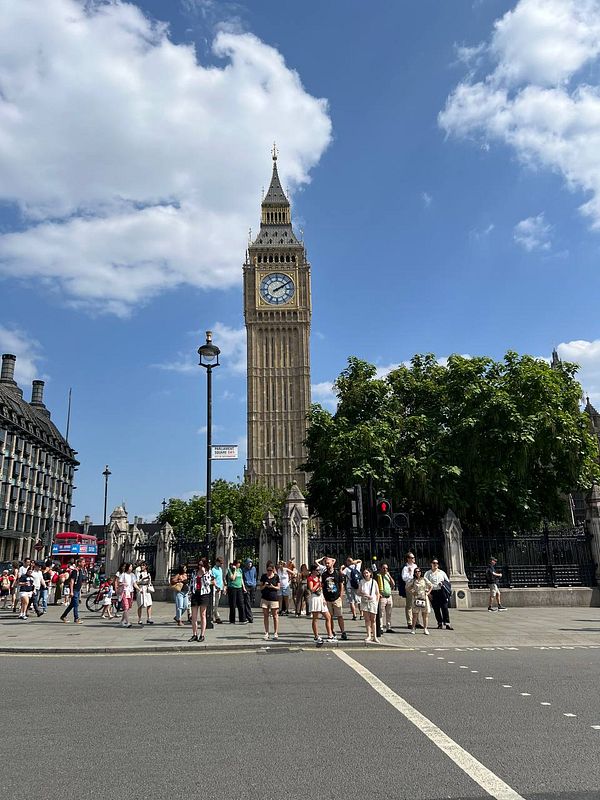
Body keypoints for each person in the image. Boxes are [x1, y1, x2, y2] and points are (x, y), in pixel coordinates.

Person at [321, 557, 348, 640]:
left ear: (332, 563)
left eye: (328, 563)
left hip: (336, 597)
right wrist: (323, 597)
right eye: (326, 563)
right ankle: (332, 631)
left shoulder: (337, 573)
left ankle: (343, 632)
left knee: (340, 615)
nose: (327, 564)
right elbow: (322, 586)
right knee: (330, 617)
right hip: (328, 598)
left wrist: (341, 595)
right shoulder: (324, 574)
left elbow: (341, 584)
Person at [307, 563, 334, 645]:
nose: (318, 571)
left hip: (320, 597)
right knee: (315, 618)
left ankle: (330, 635)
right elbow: (311, 589)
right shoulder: (310, 578)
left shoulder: (318, 578)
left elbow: (321, 590)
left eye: (318, 570)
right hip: (315, 598)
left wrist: (324, 599)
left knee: (328, 616)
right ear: (313, 571)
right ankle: (316, 636)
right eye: (317, 570)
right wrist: (318, 584)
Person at [189, 558, 214, 642]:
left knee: (203, 615)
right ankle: (194, 634)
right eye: (199, 565)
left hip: (204, 594)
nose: (200, 567)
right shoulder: (194, 572)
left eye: (202, 565)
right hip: (195, 593)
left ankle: (202, 635)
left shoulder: (208, 572)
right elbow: (191, 583)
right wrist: (190, 593)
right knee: (194, 616)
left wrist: (203, 574)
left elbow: (208, 583)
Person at [424, 559, 453, 630]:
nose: (435, 564)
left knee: (445, 607)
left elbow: (447, 582)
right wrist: (428, 594)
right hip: (433, 592)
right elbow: (425, 584)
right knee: (436, 608)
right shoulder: (428, 573)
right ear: (431, 564)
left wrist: (443, 583)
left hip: (441, 592)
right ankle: (439, 622)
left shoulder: (442, 572)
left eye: (437, 563)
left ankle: (447, 623)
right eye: (434, 563)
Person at [60, 557, 87, 624]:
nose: (84, 563)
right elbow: (72, 581)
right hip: (74, 590)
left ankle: (63, 616)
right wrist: (71, 591)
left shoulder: (81, 570)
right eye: (83, 562)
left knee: (72, 605)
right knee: (76, 605)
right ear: (79, 563)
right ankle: (76, 618)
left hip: (77, 590)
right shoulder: (75, 571)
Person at [407, 567, 432, 635]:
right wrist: (412, 592)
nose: (417, 573)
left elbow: (431, 585)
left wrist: (428, 592)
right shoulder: (413, 580)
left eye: (418, 571)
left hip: (424, 597)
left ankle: (425, 628)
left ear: (421, 572)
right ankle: (413, 628)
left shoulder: (424, 579)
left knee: (425, 614)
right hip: (416, 598)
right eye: (416, 572)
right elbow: (407, 587)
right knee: (415, 614)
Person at [358, 566, 380, 643]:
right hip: (364, 602)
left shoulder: (374, 582)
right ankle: (368, 635)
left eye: (367, 573)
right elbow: (358, 592)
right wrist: (363, 594)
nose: (365, 574)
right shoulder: (361, 582)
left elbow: (377, 593)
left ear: (370, 573)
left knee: (373, 620)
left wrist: (376, 602)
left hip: (373, 602)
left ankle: (375, 636)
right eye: (364, 573)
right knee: (367, 620)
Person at [259, 560, 280, 640]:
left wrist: (272, 587)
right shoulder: (264, 576)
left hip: (273, 598)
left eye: (271, 570)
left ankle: (275, 632)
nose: (269, 572)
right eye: (268, 570)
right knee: (265, 616)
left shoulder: (276, 577)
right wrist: (265, 585)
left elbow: (278, 587)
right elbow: (260, 587)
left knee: (275, 616)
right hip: (265, 598)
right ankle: (266, 632)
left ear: (273, 569)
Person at [117, 562, 139, 628]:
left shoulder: (132, 575)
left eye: (131, 567)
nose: (131, 568)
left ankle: (122, 621)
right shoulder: (123, 575)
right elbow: (119, 583)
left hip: (130, 592)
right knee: (126, 607)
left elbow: (134, 584)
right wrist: (123, 584)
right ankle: (127, 622)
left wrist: (139, 589)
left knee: (128, 607)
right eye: (130, 567)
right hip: (124, 592)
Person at [401, 552, 418, 629]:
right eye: (412, 557)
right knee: (409, 605)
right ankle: (410, 622)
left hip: (416, 586)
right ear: (408, 559)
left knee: (417, 604)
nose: (413, 559)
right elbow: (404, 578)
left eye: (414, 557)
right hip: (409, 586)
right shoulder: (405, 568)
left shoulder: (415, 566)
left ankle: (417, 621)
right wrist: (410, 573)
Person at [226, 559, 247, 624]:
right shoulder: (230, 570)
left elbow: (241, 578)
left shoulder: (240, 570)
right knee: (233, 604)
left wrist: (243, 587)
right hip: (232, 588)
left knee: (241, 603)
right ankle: (232, 620)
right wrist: (234, 570)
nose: (239, 564)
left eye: (239, 563)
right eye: (238, 563)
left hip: (239, 588)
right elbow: (233, 578)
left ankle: (242, 619)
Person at [377, 563, 396, 633]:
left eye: (386, 568)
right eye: (384, 568)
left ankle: (388, 627)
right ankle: (381, 627)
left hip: (389, 596)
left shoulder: (387, 576)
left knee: (389, 613)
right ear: (381, 568)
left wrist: (389, 576)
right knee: (381, 613)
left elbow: (393, 584)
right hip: (383, 597)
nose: (385, 570)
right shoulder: (378, 576)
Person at [242, 558, 257, 624]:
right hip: (247, 585)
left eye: (250, 563)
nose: (249, 564)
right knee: (247, 601)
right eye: (248, 563)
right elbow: (242, 578)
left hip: (252, 586)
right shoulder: (243, 570)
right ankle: (250, 617)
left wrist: (255, 583)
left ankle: (246, 615)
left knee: (250, 601)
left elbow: (255, 576)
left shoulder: (254, 569)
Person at [211, 557, 224, 623]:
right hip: (215, 588)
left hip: (219, 588)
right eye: (221, 563)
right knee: (213, 603)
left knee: (216, 603)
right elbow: (213, 579)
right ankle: (214, 616)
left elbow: (221, 579)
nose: (222, 564)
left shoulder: (220, 569)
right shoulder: (213, 570)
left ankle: (215, 615)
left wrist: (223, 586)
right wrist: (216, 586)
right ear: (217, 562)